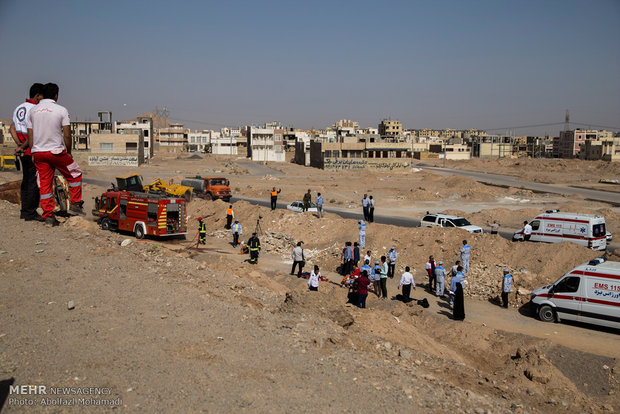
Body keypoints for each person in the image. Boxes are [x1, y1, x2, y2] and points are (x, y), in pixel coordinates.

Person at [21, 83, 84, 226]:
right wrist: (69, 152)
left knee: (45, 184)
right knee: (75, 173)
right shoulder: (61, 110)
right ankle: (75, 203)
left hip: (38, 152)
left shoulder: (32, 111)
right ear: (56, 95)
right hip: (56, 151)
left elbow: (30, 135)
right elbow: (67, 135)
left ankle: (48, 215)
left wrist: (33, 152)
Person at [11, 83, 44, 222]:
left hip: (23, 150)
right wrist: (24, 146)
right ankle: (30, 212)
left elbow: (12, 128)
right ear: (37, 96)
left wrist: (18, 144)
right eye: (42, 96)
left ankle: (25, 210)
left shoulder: (19, 108)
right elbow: (33, 134)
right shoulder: (35, 109)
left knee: (26, 181)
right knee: (33, 182)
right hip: (31, 150)